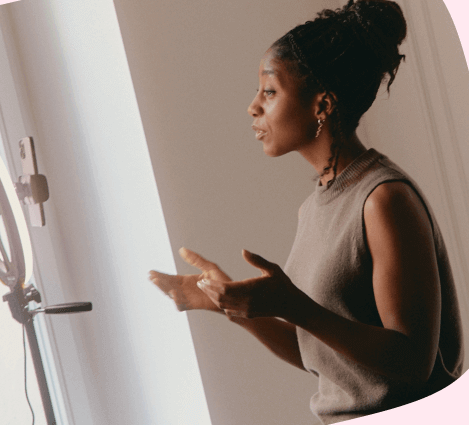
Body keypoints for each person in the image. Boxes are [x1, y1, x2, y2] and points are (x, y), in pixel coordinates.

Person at [149, 1, 463, 423]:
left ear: (323, 105)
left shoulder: (383, 199)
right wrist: (225, 303)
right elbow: (322, 354)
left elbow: (411, 362)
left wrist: (295, 306)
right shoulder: (315, 205)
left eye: (270, 91)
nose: (253, 107)